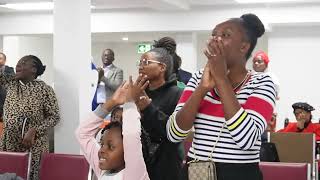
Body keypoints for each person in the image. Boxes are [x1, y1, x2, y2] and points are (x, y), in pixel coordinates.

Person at [167, 13, 276, 180]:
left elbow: (246, 139)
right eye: (213, 35)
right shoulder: (198, 78)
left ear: (243, 47)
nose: (215, 40)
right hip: (196, 171)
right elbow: (173, 133)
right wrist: (202, 89)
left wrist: (221, 79)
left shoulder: (263, 83)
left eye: (225, 35)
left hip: (239, 174)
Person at [0, 55, 60, 180]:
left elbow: (54, 116)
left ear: (33, 69)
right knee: (8, 175)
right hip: (9, 143)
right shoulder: (11, 83)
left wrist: (34, 130)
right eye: (18, 63)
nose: (18, 65)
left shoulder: (44, 89)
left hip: (33, 145)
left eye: (23, 63)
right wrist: (12, 75)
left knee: (31, 175)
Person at [75, 80, 150, 180]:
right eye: (102, 144)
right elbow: (82, 133)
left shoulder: (134, 174)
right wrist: (112, 102)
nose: (102, 150)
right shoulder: (103, 170)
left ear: (126, 152)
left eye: (111, 147)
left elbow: (131, 136)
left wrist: (130, 103)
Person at [132, 41, 183, 180]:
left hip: (166, 166)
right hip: (138, 163)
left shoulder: (177, 94)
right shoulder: (136, 92)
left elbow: (173, 131)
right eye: (140, 62)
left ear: (161, 67)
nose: (141, 66)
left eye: (146, 62)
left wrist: (147, 108)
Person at [0, 52, 15, 131]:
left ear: (4, 60)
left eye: (0, 58)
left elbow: (11, 79)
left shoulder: (10, 69)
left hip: (6, 97)